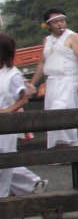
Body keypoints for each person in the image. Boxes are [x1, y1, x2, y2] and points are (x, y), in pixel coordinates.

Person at [27, 9, 78, 148]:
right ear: (48, 25)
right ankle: (56, 149)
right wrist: (32, 84)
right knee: (51, 115)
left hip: (69, 81)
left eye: (62, 20)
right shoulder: (47, 40)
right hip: (52, 82)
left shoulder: (74, 38)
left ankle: (69, 145)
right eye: (56, 22)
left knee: (61, 111)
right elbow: (42, 63)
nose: (60, 24)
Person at [1, 34, 48, 198]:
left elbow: (23, 99)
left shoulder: (12, 74)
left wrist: (8, 110)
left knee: (5, 160)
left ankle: (5, 196)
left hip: (6, 122)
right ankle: (32, 184)